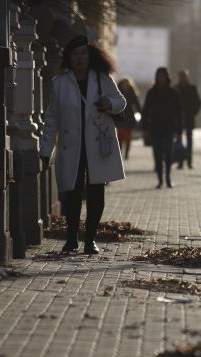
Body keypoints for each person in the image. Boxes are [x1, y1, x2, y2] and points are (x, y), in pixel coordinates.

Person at [39, 35, 127, 255]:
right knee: (72, 192)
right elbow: (52, 120)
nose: (80, 58)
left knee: (96, 191)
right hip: (71, 146)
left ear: (90, 56)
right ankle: (71, 239)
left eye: (83, 53)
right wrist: (44, 152)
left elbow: (121, 101)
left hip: (96, 145)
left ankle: (90, 239)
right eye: (75, 54)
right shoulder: (60, 83)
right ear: (69, 58)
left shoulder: (101, 78)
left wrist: (108, 103)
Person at [142, 67, 182, 188]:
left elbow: (179, 113)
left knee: (169, 154)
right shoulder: (152, 92)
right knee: (158, 155)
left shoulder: (173, 92)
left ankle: (168, 178)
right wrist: (146, 127)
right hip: (155, 128)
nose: (161, 78)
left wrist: (180, 130)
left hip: (169, 127)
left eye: (163, 76)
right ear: (156, 77)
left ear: (167, 77)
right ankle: (160, 180)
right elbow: (146, 111)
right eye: (159, 76)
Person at [175, 69, 201, 169]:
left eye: (184, 76)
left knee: (189, 141)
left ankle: (189, 161)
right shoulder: (176, 88)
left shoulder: (192, 88)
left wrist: (193, 113)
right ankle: (180, 161)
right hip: (178, 119)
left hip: (189, 118)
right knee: (179, 141)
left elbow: (198, 102)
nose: (183, 78)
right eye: (181, 76)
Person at [116, 77, 141, 160]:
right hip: (120, 117)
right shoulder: (117, 93)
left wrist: (142, 114)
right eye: (124, 84)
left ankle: (126, 152)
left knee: (128, 137)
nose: (125, 85)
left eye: (127, 84)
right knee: (120, 137)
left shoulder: (132, 93)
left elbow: (137, 105)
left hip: (129, 118)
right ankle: (119, 153)